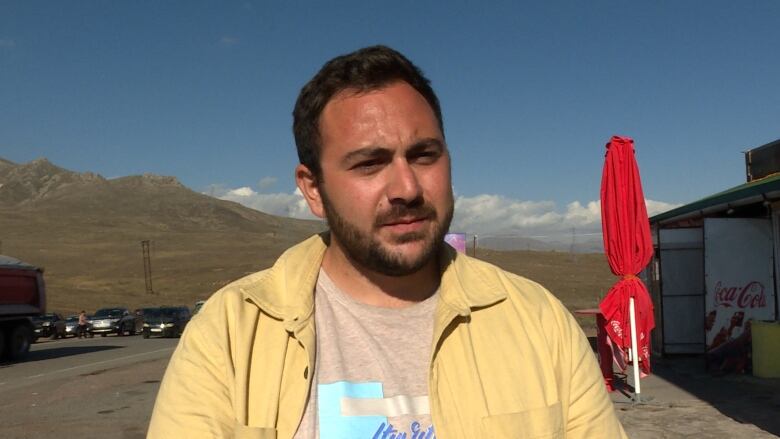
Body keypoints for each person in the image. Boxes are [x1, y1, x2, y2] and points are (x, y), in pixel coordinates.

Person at [148, 45, 627, 438]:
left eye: (424, 155)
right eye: (369, 163)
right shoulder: (230, 334)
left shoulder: (538, 322)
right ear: (313, 188)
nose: (407, 188)